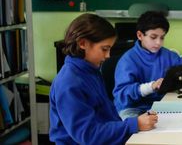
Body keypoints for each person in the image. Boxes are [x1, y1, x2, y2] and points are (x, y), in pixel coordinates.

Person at [49, 14, 158, 144]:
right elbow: (88, 135)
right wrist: (134, 124)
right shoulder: (68, 83)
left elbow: (108, 117)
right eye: (104, 49)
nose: (108, 56)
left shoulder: (90, 71)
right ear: (83, 43)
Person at [113, 12, 182, 118]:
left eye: (162, 38)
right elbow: (122, 95)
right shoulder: (128, 60)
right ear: (140, 35)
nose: (158, 43)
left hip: (161, 105)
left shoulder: (169, 56)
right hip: (133, 108)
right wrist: (151, 87)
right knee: (139, 131)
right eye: (153, 37)